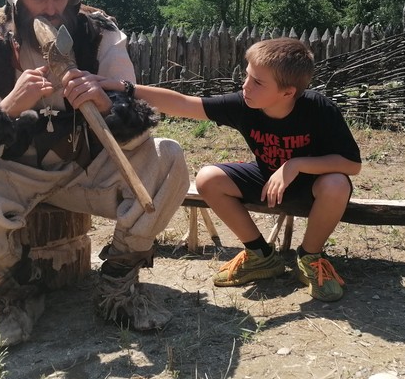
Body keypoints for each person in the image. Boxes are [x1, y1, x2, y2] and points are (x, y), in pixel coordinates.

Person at [0, 0, 189, 346]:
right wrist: (9, 108)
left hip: (86, 169)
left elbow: (139, 118)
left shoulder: (97, 30)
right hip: (14, 176)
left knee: (169, 155)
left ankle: (117, 286)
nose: (51, 8)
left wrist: (106, 102)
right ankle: (15, 293)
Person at [74, 37, 361, 302]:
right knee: (208, 178)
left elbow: (352, 164)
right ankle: (260, 255)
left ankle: (311, 257)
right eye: (247, 75)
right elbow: (184, 103)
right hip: (267, 181)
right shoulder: (244, 104)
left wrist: (296, 165)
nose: (246, 86)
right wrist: (125, 87)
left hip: (313, 190)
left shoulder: (318, 109)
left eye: (258, 82)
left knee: (337, 183)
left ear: (288, 92)